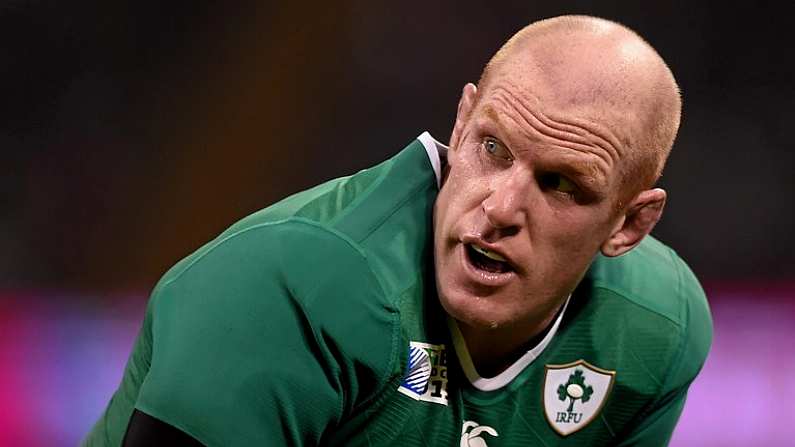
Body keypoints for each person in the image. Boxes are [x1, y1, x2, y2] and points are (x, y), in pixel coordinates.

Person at [84, 14, 712, 446]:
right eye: (492, 147)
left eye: (561, 185)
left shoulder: (655, 331)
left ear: (630, 224)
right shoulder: (288, 291)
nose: (500, 208)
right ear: (461, 125)